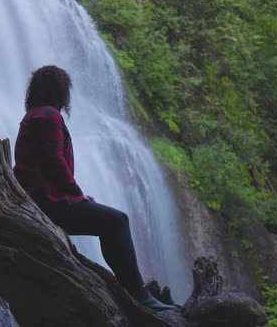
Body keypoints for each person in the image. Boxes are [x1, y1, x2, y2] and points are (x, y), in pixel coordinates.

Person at [13, 65, 177, 312]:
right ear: (59, 90)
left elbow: (45, 163)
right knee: (116, 222)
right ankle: (138, 295)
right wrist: (76, 195)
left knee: (110, 222)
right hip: (47, 202)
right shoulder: (49, 116)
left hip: (39, 199)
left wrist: (74, 195)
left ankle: (134, 292)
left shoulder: (35, 115)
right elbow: (54, 160)